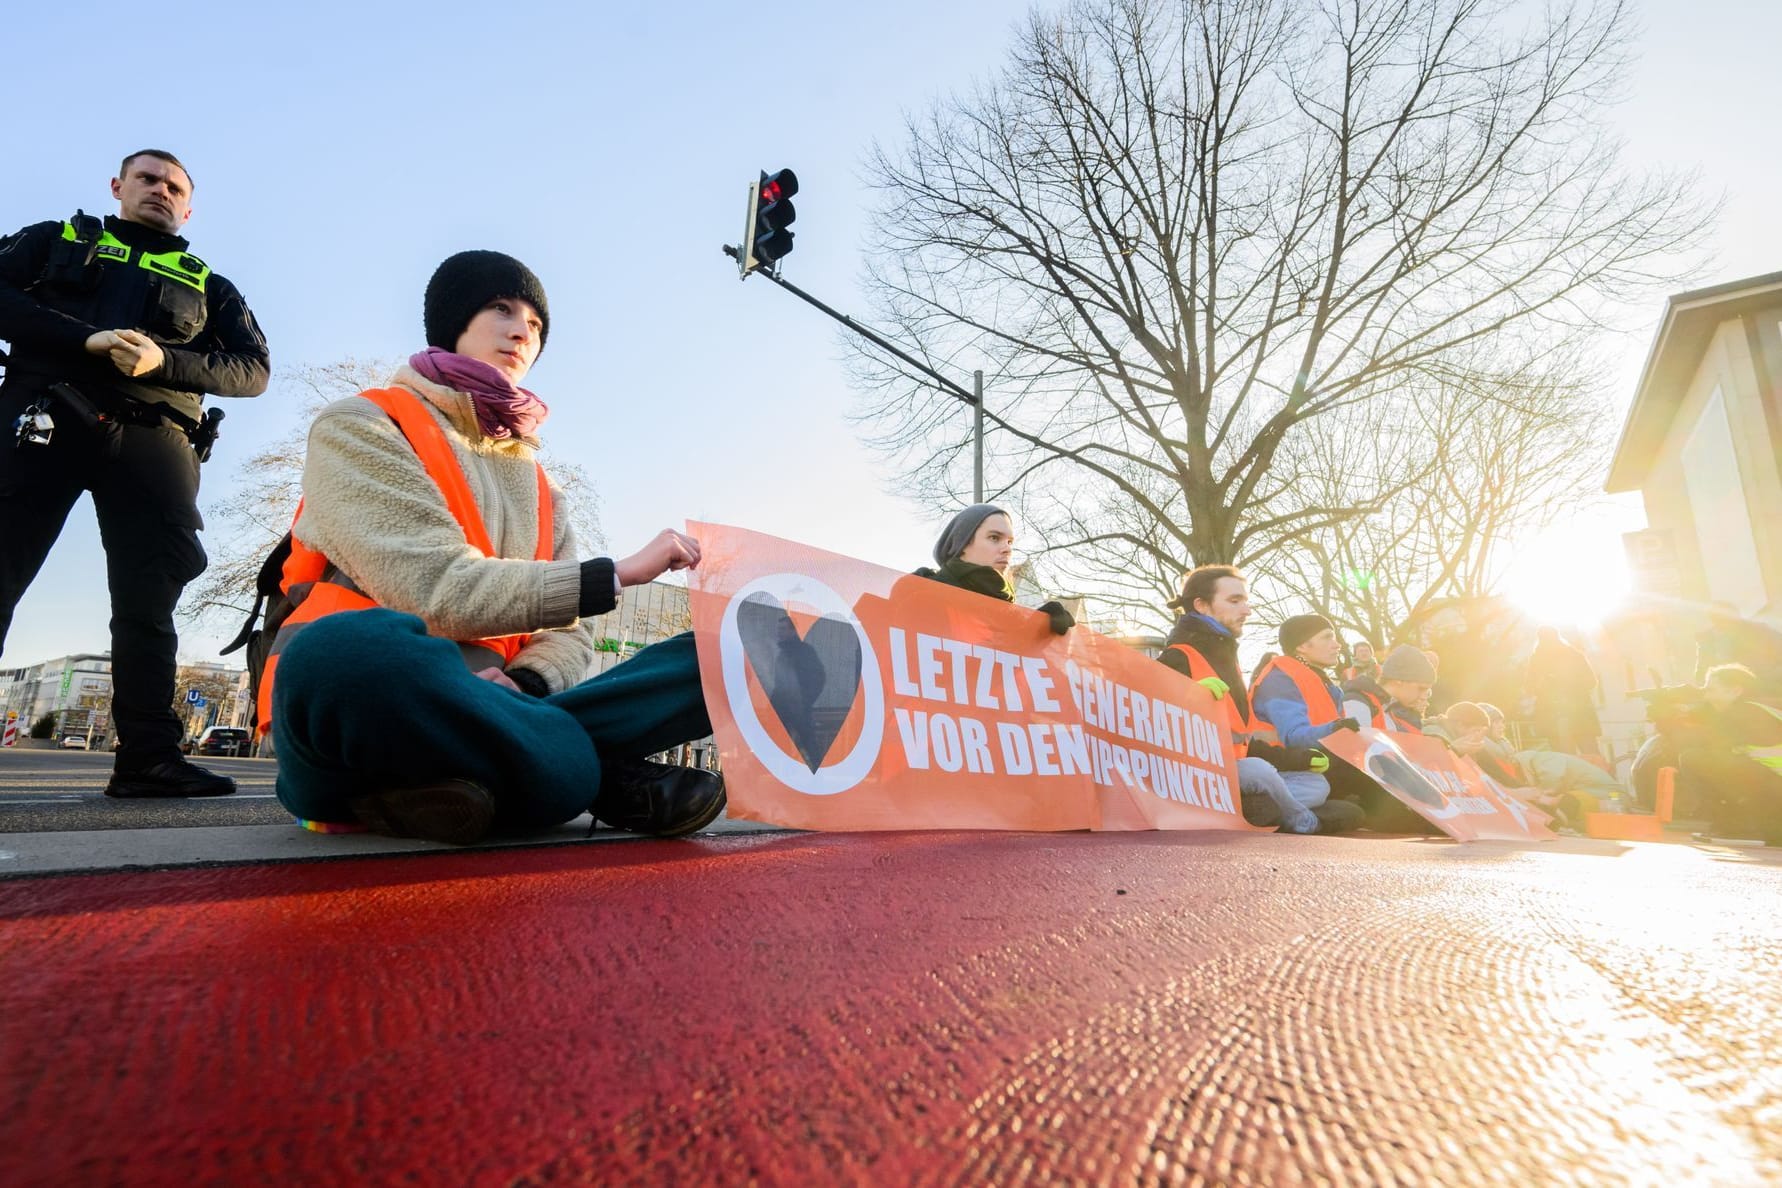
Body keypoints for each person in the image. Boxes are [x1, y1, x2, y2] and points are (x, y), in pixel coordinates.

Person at [264, 250, 722, 844]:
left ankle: (512, 764)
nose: (520, 332)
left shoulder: (542, 486)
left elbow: (569, 635)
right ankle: (586, 769)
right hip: (370, 706)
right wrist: (616, 574)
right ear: (455, 320)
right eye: (501, 309)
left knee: (719, 654)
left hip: (506, 707)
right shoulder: (361, 424)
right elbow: (432, 588)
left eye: (535, 325)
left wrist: (527, 685)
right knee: (345, 652)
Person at [0, 150, 269, 797]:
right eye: (148, 179)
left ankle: (149, 758)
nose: (160, 191)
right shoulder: (55, 240)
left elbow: (251, 370)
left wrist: (165, 359)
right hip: (45, 420)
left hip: (156, 442)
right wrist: (81, 339)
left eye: (174, 186)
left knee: (150, 606)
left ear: (189, 207)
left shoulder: (209, 284)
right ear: (118, 186)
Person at [1158, 570, 1358, 835]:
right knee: (1258, 770)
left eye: (1246, 601)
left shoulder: (1226, 657)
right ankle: (1300, 819)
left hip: (1236, 771)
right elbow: (1150, 722)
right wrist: (1185, 696)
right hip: (1199, 777)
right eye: (1235, 601)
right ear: (1201, 605)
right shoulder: (1177, 657)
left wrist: (1298, 759)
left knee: (1315, 784)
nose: (1247, 610)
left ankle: (1255, 807)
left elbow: (1242, 743)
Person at [1247, 614, 1366, 834]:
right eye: (1327, 637)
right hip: (1283, 768)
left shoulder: (1326, 684)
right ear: (1302, 646)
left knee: (1361, 802)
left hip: (1316, 766)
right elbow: (1293, 736)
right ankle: (1276, 811)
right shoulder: (1280, 680)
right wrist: (1337, 728)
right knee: (1332, 795)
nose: (1337, 644)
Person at [914, 504, 1074, 634]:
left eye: (1010, 541)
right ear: (961, 545)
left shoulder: (1010, 615)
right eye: (994, 538)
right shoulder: (921, 594)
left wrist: (1038, 631)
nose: (1007, 549)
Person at [1680, 664, 1782, 846]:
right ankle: (1753, 825)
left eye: (1711, 690)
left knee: (1692, 759)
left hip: (1775, 786)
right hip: (1774, 785)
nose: (1707, 696)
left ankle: (1738, 826)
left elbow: (1718, 751)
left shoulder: (1742, 714)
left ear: (1735, 691)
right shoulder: (1756, 708)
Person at [1524, 626, 1601, 755]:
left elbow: (1529, 688)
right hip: (1579, 715)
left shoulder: (1537, 659)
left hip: (1557, 717)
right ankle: (1601, 774)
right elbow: (1591, 682)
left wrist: (1550, 683)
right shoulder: (1574, 655)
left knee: (1565, 762)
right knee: (1591, 757)